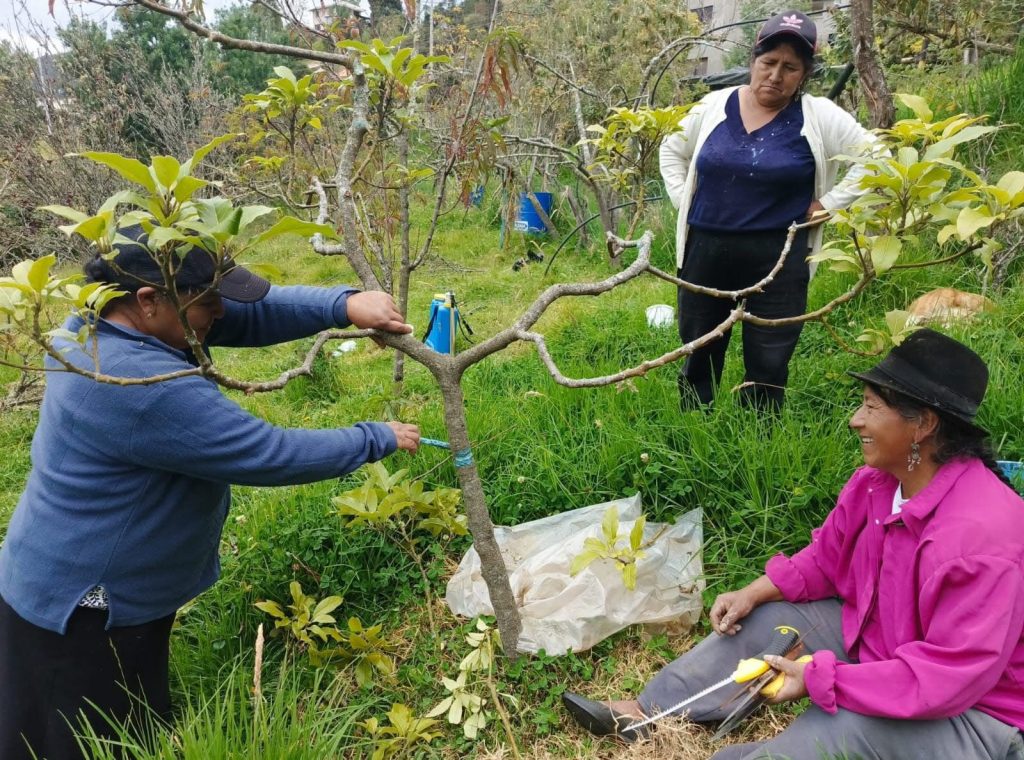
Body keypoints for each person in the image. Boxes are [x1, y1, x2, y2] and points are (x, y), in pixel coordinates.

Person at [0, 225, 421, 759]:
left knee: (122, 720)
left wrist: (344, 304)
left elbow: (246, 315)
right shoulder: (140, 387)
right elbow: (268, 454)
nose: (220, 313)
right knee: (82, 741)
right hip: (85, 606)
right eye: (209, 301)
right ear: (150, 300)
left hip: (93, 586)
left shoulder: (104, 322)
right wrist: (375, 437)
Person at [563, 328, 1024, 759]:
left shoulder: (981, 538)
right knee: (771, 620)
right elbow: (827, 560)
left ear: (923, 424)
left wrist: (824, 678)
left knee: (834, 735)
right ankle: (647, 712)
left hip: (971, 711)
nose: (855, 419)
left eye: (870, 406)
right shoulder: (878, 482)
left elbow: (945, 679)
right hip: (880, 643)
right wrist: (754, 592)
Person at [661, 10, 878, 411]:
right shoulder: (713, 106)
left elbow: (876, 157)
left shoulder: (817, 115)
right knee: (699, 350)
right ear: (753, 62)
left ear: (805, 74)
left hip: (779, 257)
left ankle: (759, 437)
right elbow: (671, 149)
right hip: (705, 250)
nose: (776, 75)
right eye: (768, 63)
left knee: (770, 359)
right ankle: (693, 427)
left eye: (790, 67)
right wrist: (683, 201)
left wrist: (829, 204)